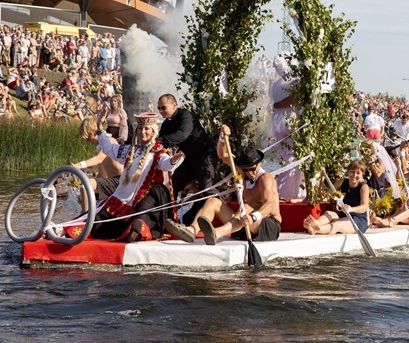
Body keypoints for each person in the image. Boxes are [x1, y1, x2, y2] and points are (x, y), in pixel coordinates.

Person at [165, 124, 282, 244]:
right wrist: (222, 138)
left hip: (267, 225)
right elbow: (223, 155)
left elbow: (269, 205)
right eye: (245, 169)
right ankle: (191, 230)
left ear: (258, 164)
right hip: (243, 224)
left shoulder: (266, 178)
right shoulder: (243, 171)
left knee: (247, 208)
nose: (249, 173)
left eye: (252, 169)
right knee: (213, 201)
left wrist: (253, 217)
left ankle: (216, 233)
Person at [87, 112, 184, 242]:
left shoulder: (158, 151)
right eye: (140, 128)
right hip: (123, 196)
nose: (142, 132)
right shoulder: (130, 150)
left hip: (150, 195)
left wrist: (176, 158)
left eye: (146, 129)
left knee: (141, 212)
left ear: (153, 131)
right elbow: (108, 148)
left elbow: (167, 164)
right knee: (99, 216)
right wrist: (99, 127)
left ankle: (139, 232)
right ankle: (68, 229)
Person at [157, 93, 217, 223]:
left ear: (174, 105)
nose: (161, 111)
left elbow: (181, 135)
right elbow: (161, 142)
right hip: (190, 158)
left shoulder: (185, 115)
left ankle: (220, 217)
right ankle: (169, 218)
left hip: (205, 155)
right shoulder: (166, 124)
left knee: (207, 189)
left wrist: (159, 140)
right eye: (159, 108)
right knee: (172, 185)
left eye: (163, 108)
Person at [269, 53, 305, 200]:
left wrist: (277, 105)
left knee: (288, 157)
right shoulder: (294, 81)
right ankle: (289, 193)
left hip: (278, 121)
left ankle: (291, 191)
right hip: (290, 121)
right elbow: (294, 99)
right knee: (293, 158)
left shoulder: (275, 84)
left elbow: (275, 103)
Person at [303, 160, 370, 235]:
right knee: (329, 213)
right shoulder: (341, 182)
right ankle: (315, 224)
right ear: (348, 172)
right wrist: (322, 177)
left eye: (358, 173)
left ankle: (317, 229)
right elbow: (324, 195)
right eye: (352, 172)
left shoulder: (364, 187)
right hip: (343, 214)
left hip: (357, 219)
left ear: (362, 174)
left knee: (337, 224)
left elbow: (364, 206)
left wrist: (350, 209)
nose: (354, 175)